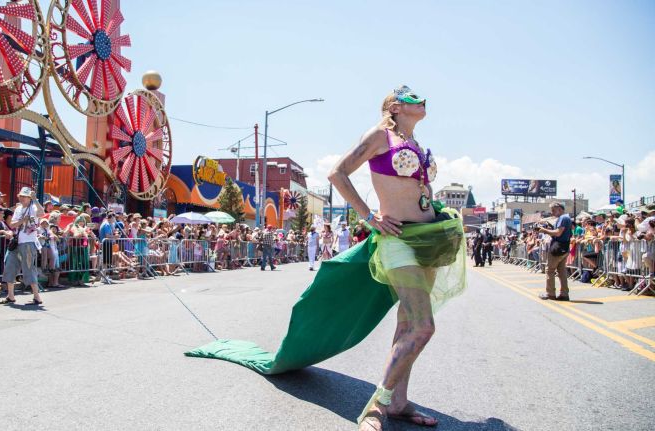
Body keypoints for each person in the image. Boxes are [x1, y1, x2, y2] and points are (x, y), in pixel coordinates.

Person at [187, 86, 465, 431]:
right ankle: (377, 406)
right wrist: (369, 216)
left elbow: (421, 190)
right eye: (411, 98)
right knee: (424, 326)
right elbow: (338, 173)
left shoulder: (417, 145)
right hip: (397, 239)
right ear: (395, 106)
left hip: (426, 239)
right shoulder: (381, 135)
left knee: (408, 323)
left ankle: (399, 401)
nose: (420, 100)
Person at [0, 187, 44, 305]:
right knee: (9, 265)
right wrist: (22, 221)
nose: (22, 198)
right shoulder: (18, 209)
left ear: (29, 198)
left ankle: (37, 297)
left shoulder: (34, 207)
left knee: (29, 268)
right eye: (21, 196)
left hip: (28, 243)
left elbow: (42, 213)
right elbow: (12, 224)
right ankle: (10, 296)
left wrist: (36, 200)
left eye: (25, 196)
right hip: (17, 242)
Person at [538, 202, 572, 301]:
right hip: (564, 247)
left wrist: (545, 231)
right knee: (562, 271)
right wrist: (549, 230)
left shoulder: (563, 218)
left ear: (559, 209)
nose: (552, 212)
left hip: (558, 247)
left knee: (550, 270)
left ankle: (550, 293)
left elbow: (558, 233)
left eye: (553, 210)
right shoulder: (565, 218)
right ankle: (564, 294)